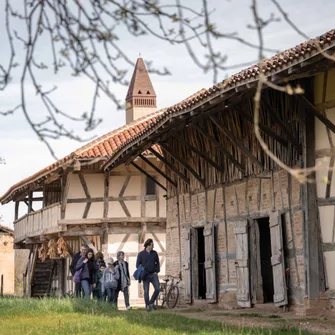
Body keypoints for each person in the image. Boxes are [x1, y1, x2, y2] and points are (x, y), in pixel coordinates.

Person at [136, 238, 160, 312]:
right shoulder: (141, 254)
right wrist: (143, 270)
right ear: (148, 245)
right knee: (146, 291)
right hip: (145, 275)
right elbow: (137, 265)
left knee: (157, 289)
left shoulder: (154, 253)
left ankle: (151, 302)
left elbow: (158, 263)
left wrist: (157, 271)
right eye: (152, 245)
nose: (153, 246)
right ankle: (147, 306)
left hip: (153, 274)